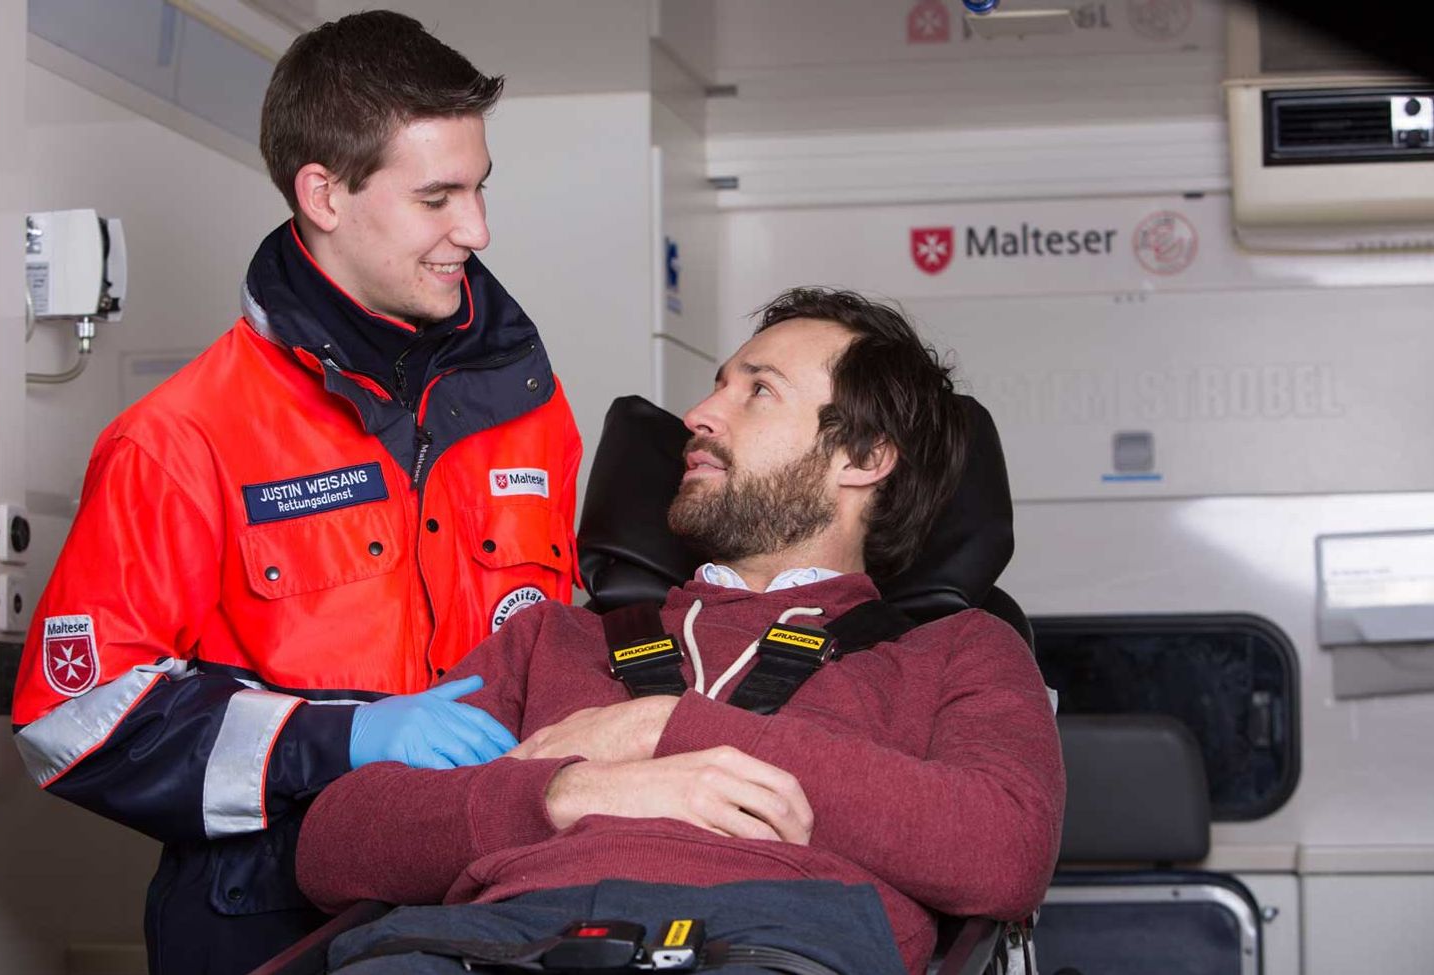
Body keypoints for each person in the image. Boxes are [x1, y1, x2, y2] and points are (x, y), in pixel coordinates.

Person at [10, 11, 581, 974]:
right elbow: (74, 721)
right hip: (266, 914)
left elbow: (560, 634)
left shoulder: (530, 406)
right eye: (437, 196)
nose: (476, 231)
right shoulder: (181, 436)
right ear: (323, 192)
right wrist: (342, 737)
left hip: (496, 898)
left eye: (479, 189)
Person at [295, 289, 1065, 975]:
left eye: (758, 390)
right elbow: (335, 843)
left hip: (769, 944)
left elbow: (1004, 852)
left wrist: (664, 725)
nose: (699, 415)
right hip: (497, 942)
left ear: (862, 457)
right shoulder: (553, 637)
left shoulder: (955, 647)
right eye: (717, 384)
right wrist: (567, 792)